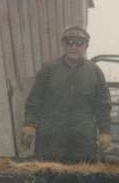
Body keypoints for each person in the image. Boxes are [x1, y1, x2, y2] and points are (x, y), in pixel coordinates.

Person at [21, 26, 112, 162]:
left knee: (83, 177)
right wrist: (30, 125)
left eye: (79, 43)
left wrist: (105, 131)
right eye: (70, 43)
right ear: (64, 45)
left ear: (86, 46)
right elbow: (35, 100)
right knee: (48, 176)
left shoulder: (94, 72)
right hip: (51, 138)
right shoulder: (49, 69)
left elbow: (103, 105)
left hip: (82, 138)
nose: (74, 47)